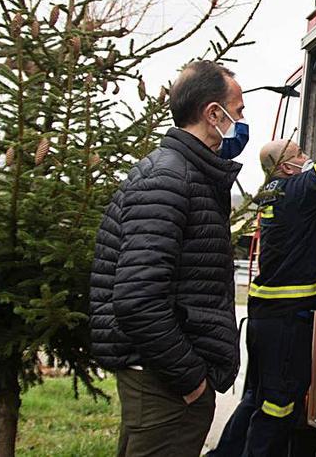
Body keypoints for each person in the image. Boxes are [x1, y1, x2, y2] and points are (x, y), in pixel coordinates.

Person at [89, 60, 248, 457]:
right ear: (214, 113)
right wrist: (191, 381)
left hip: (167, 382)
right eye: (238, 111)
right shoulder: (169, 179)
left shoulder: (185, 174)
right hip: (166, 386)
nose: (242, 122)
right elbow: (138, 300)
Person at [208, 107, 316, 457]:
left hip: (265, 317)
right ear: (286, 167)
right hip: (286, 320)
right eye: (299, 153)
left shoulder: (277, 192)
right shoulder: (296, 193)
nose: (306, 157)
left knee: (256, 398)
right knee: (279, 405)